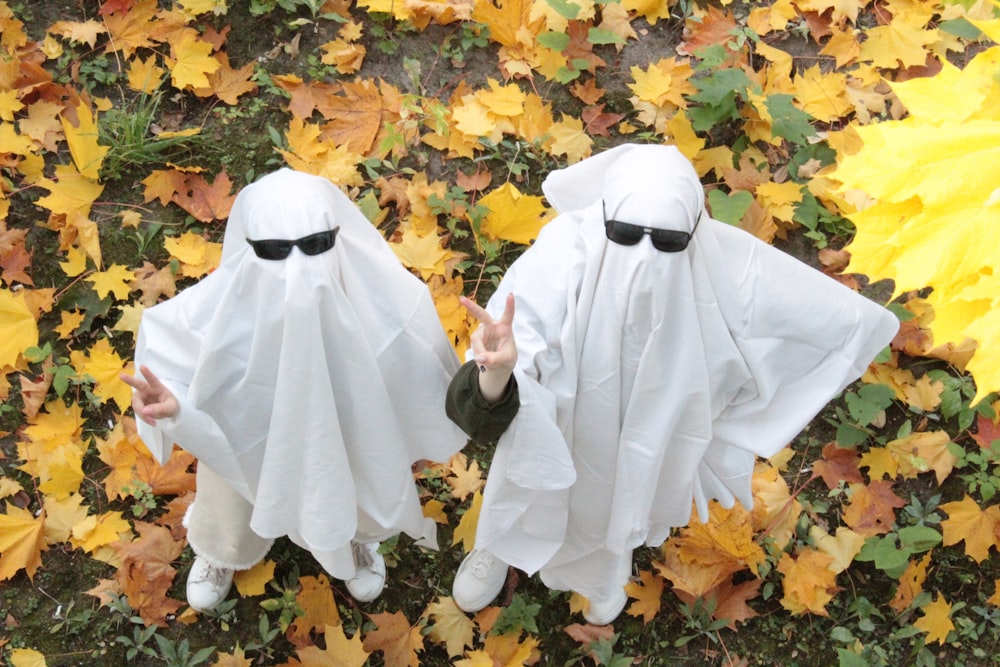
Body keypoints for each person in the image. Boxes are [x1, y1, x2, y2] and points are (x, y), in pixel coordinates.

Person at [445, 144, 900, 625]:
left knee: (621, 495)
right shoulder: (564, 251)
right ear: (604, 218)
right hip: (561, 420)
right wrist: (497, 370)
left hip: (655, 431)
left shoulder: (722, 266)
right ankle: (499, 545)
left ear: (694, 234)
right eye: (623, 234)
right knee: (526, 485)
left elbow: (808, 311)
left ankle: (605, 569)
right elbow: (516, 343)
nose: (643, 256)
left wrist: (860, 330)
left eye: (666, 242)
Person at [121, 168, 466, 612]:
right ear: (250, 248)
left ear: (337, 237)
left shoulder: (386, 296)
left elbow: (414, 357)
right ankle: (223, 550)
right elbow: (174, 353)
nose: (300, 269)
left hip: (346, 436)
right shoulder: (214, 310)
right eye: (276, 251)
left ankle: (352, 539)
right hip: (249, 437)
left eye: (316, 245)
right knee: (229, 498)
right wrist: (175, 407)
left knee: (360, 472)